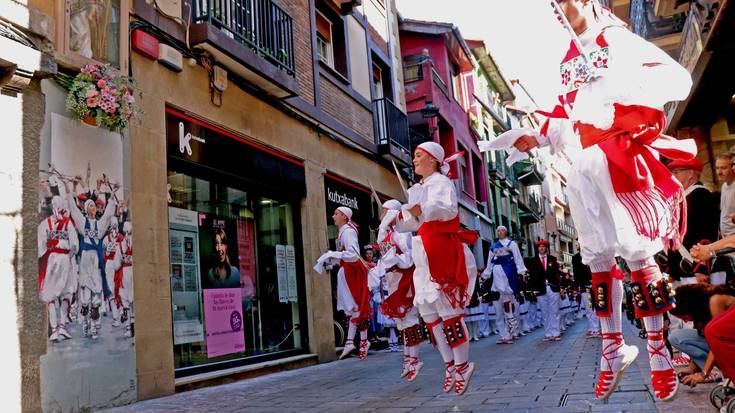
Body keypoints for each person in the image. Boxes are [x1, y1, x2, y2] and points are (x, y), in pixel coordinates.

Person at [482, 0, 694, 401]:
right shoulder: (567, 59)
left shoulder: (616, 40)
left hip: (617, 157)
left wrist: (624, 92)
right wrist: (536, 138)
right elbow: (562, 117)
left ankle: (657, 350)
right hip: (583, 167)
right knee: (597, 260)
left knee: (638, 256)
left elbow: (676, 79)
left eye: (564, 0)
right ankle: (612, 349)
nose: (558, 9)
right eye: (553, 4)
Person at [395, 141, 478, 395]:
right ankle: (449, 364)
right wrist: (402, 217)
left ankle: (463, 365)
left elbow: (447, 210)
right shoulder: (419, 187)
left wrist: (423, 208)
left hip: (440, 249)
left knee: (449, 312)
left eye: (419, 155)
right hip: (423, 253)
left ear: (432, 159)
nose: (415, 160)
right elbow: (414, 223)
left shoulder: (441, 182)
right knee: (430, 316)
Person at [370, 199, 424, 380]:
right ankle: (408, 359)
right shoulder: (389, 233)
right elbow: (384, 253)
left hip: (404, 278)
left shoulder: (402, 233)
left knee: (409, 319)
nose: (382, 215)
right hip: (392, 279)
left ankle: (415, 359)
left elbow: (409, 258)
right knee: (401, 322)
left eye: (385, 212)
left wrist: (395, 260)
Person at [315, 207, 372, 360]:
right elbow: (347, 256)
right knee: (354, 307)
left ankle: (360, 341)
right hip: (347, 273)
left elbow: (353, 255)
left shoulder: (348, 232)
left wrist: (332, 254)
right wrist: (332, 260)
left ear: (344, 217)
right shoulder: (344, 232)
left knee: (356, 306)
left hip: (351, 274)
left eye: (336, 214)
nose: (333, 216)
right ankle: (354, 342)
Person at [66, 181, 117, 340]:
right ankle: (86, 324)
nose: (93, 209)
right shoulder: (83, 223)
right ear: (87, 210)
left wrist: (112, 193)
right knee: (85, 300)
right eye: (90, 207)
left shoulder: (100, 226)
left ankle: (95, 326)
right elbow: (74, 210)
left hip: (96, 263)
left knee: (96, 301)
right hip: (85, 261)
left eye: (94, 207)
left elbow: (109, 213)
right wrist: (69, 189)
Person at [670, 284, 735, 388]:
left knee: (712, 335)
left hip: (728, 342)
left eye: (684, 317)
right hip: (725, 341)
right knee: (676, 337)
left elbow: (717, 340)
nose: (686, 321)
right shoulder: (702, 310)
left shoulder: (715, 300)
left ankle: (714, 372)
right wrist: (692, 369)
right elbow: (706, 338)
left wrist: (703, 374)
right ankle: (710, 370)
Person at [667, 157, 719, 283]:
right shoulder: (683, 196)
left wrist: (701, 267)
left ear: (690, 173)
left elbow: (706, 233)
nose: (672, 175)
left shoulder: (701, 196)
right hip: (680, 266)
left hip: (693, 267)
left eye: (677, 171)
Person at [38, 196, 79, 341]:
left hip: (51, 259)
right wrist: (69, 257)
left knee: (51, 294)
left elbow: (40, 247)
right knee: (67, 293)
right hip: (64, 259)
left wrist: (48, 253)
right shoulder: (68, 223)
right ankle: (61, 327)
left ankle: (55, 329)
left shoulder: (45, 224)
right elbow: (75, 245)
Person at [482, 226, 527, 344]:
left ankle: (511, 332)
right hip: (496, 278)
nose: (500, 232)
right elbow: (489, 262)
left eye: (502, 230)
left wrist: (521, 271)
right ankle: (504, 335)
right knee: (498, 310)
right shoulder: (493, 246)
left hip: (509, 275)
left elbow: (518, 259)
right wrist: (486, 274)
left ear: (506, 232)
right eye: (498, 231)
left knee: (509, 308)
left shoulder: (512, 244)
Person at [528, 240, 562, 341]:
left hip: (553, 288)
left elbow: (557, 274)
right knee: (544, 312)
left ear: (546, 248)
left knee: (554, 311)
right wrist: (533, 289)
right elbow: (532, 277)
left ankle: (556, 332)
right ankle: (548, 333)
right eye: (540, 247)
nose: (541, 248)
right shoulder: (533, 261)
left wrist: (560, 287)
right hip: (540, 289)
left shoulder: (553, 259)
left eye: (543, 246)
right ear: (537, 248)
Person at [573, 249, 600, 338]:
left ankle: (597, 328)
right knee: (589, 308)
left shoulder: (594, 252)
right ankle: (594, 328)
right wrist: (577, 287)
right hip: (584, 285)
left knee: (598, 306)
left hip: (597, 283)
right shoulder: (576, 257)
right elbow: (576, 273)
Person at [102, 216, 123, 327]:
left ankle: (120, 312)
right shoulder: (106, 239)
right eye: (112, 225)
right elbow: (104, 253)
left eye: (116, 225)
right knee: (111, 289)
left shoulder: (121, 238)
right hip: (109, 264)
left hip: (119, 265)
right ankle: (115, 317)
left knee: (119, 289)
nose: (114, 227)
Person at [116, 221, 134, 337]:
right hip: (132, 272)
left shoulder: (120, 245)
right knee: (130, 301)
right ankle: (131, 327)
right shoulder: (134, 243)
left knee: (126, 301)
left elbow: (116, 264)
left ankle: (129, 328)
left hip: (126, 273)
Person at [716, 153, 735, 238]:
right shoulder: (724, 186)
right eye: (717, 168)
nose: (719, 172)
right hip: (725, 237)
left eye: (723, 168)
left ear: (733, 168)